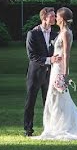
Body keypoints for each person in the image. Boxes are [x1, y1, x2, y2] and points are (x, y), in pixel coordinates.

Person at [33, 7, 77, 140]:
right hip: (55, 67)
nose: (55, 18)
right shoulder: (62, 32)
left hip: (59, 69)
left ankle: (63, 127)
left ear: (63, 19)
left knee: (59, 98)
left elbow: (66, 54)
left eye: (57, 16)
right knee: (55, 98)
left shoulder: (65, 33)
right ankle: (55, 125)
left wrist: (65, 74)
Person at [23, 7, 61, 137]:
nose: (55, 18)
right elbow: (32, 56)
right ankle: (28, 129)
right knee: (30, 102)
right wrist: (50, 59)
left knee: (49, 102)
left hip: (50, 74)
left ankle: (50, 129)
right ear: (44, 17)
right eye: (52, 16)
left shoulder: (56, 35)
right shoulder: (32, 34)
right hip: (35, 74)